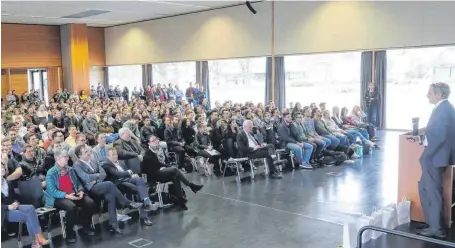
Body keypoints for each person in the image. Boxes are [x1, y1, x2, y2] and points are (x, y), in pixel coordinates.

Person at [409, 82, 455, 238]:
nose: (427, 95)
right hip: (437, 156)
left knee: (432, 191)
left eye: (430, 92)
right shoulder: (444, 108)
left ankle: (436, 228)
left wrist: (425, 152)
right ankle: (433, 224)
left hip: (435, 158)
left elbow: (439, 136)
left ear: (439, 94)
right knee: (425, 188)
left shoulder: (443, 110)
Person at [72, 145, 143, 235]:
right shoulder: (77, 165)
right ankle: (127, 203)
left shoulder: (93, 160)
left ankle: (113, 225)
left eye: (88, 151)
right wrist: (96, 176)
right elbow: (85, 178)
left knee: (110, 196)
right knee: (109, 184)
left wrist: (96, 178)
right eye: (85, 152)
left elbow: (103, 173)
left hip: (99, 184)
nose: (89, 153)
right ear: (79, 155)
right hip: (89, 189)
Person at [44, 150, 96, 243]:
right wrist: (66, 196)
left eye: (67, 156)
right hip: (59, 197)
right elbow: (51, 191)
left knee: (90, 203)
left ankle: (86, 225)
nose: (68, 158)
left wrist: (80, 191)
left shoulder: (70, 169)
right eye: (65, 157)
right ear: (58, 159)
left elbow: (78, 182)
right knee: (71, 207)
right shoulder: (51, 172)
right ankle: (70, 233)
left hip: (73, 193)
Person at [142, 135, 203, 211]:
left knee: (175, 176)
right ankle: (191, 186)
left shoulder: (160, 149)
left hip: (162, 172)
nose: (156, 141)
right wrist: (162, 168)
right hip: (155, 175)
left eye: (156, 139)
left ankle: (180, 200)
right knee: (174, 170)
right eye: (153, 140)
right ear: (149, 143)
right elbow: (149, 169)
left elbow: (163, 163)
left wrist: (166, 167)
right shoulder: (148, 154)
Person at [1, 163, 49, 248]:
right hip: (3, 211)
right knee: (28, 216)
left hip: (12, 205)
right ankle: (36, 242)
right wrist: (8, 207)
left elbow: (13, 197)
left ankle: (38, 238)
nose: (2, 170)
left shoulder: (7, 182)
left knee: (30, 208)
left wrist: (15, 202)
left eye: (3, 168)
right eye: (0, 168)